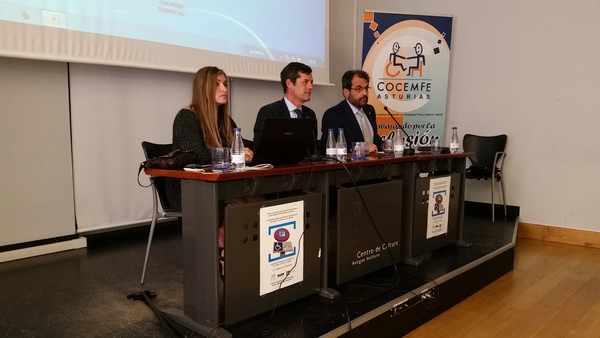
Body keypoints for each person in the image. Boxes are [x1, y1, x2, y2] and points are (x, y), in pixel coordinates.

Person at [173, 66, 253, 164]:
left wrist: (250, 151)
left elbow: (240, 144)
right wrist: (234, 154)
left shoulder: (226, 120)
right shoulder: (186, 117)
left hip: (221, 176)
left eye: (225, 84)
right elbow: (196, 155)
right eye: (216, 84)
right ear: (203, 88)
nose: (225, 89)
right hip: (192, 178)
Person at [253, 62, 318, 153]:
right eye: (305, 82)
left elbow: (313, 151)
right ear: (289, 83)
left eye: (311, 82)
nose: (310, 87)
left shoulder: (310, 114)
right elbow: (259, 150)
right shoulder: (268, 112)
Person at [321, 70, 382, 153]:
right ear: (346, 92)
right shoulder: (334, 114)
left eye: (366, 88)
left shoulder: (370, 110)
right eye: (358, 89)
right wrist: (362, 147)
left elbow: (374, 140)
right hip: (350, 165)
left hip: (374, 163)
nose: (365, 93)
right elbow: (330, 147)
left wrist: (388, 144)